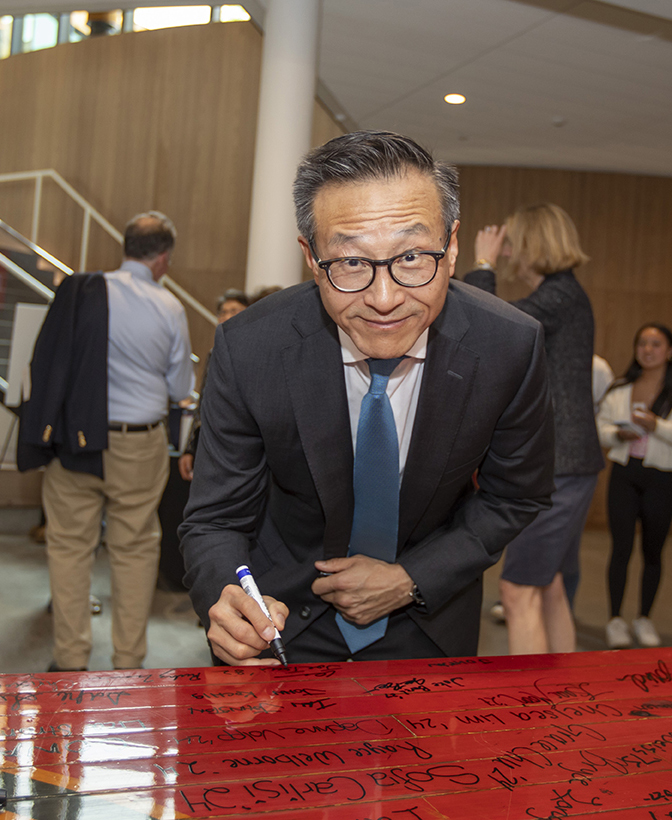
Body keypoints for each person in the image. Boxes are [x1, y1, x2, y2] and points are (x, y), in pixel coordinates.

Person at [179, 130, 554, 665]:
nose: (384, 300)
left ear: (451, 248)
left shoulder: (509, 346)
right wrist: (226, 601)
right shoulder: (251, 347)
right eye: (351, 263)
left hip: (427, 624)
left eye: (413, 257)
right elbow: (216, 518)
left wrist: (411, 579)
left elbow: (515, 496)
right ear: (311, 258)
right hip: (280, 625)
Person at [18, 212, 195, 671]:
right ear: (163, 258)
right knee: (134, 548)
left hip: (77, 443)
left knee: (69, 545)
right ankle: (129, 662)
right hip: (139, 444)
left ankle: (70, 657)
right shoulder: (169, 307)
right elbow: (180, 390)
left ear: (126, 246)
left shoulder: (85, 293)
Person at [464, 204, 603, 654]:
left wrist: (482, 267)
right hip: (568, 464)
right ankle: (561, 691)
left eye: (511, 245)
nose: (507, 255)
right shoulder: (565, 294)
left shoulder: (560, 295)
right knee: (550, 585)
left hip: (558, 466)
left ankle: (531, 712)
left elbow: (491, 327)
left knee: (518, 591)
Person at [597, 324, 672, 648]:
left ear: (670, 351)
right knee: (621, 548)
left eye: (656, 344)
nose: (648, 350)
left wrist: (658, 426)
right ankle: (615, 619)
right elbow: (599, 427)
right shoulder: (621, 387)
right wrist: (616, 435)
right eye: (642, 343)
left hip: (662, 477)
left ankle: (644, 618)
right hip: (625, 474)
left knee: (653, 550)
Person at [178, 288, 249, 482]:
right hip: (216, 446)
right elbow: (204, 402)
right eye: (223, 312)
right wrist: (189, 448)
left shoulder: (257, 352)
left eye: (234, 311)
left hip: (246, 448)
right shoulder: (214, 352)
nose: (227, 316)